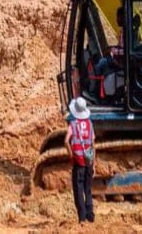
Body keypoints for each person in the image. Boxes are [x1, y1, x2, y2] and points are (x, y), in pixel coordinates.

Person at [64, 96, 95, 224]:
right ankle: (90, 216)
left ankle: (82, 218)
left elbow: (66, 141)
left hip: (78, 162)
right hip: (88, 161)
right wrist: (93, 163)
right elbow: (93, 144)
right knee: (88, 190)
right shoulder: (90, 124)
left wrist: (71, 154)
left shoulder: (73, 124)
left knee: (78, 190)